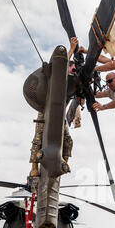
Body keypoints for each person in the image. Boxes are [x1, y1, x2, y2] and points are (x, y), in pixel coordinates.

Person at [29, 38, 78, 177]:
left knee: (67, 140)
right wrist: (72, 49)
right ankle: (34, 166)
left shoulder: (71, 82)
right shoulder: (58, 74)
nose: (73, 70)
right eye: (72, 67)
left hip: (59, 115)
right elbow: (62, 63)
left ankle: (63, 161)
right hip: (45, 111)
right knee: (38, 138)